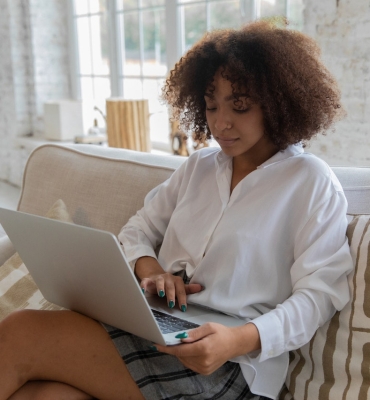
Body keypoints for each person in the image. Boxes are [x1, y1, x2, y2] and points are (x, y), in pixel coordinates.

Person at [0, 20, 353, 400]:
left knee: (21, 332)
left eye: (240, 106)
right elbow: (136, 231)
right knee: (43, 395)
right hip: (155, 328)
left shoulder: (310, 181)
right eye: (211, 104)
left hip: (231, 364)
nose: (221, 122)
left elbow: (319, 296)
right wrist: (150, 271)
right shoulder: (199, 167)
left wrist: (236, 340)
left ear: (280, 102)